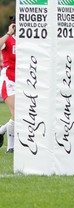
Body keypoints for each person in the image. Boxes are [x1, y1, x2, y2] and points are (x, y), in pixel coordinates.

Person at [0, 16, 16, 153]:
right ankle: (11, 147)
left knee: (21, 114)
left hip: (23, 80)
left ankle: (1, 130)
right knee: (16, 113)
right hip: (9, 79)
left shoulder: (27, 41)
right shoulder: (9, 39)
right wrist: (8, 33)